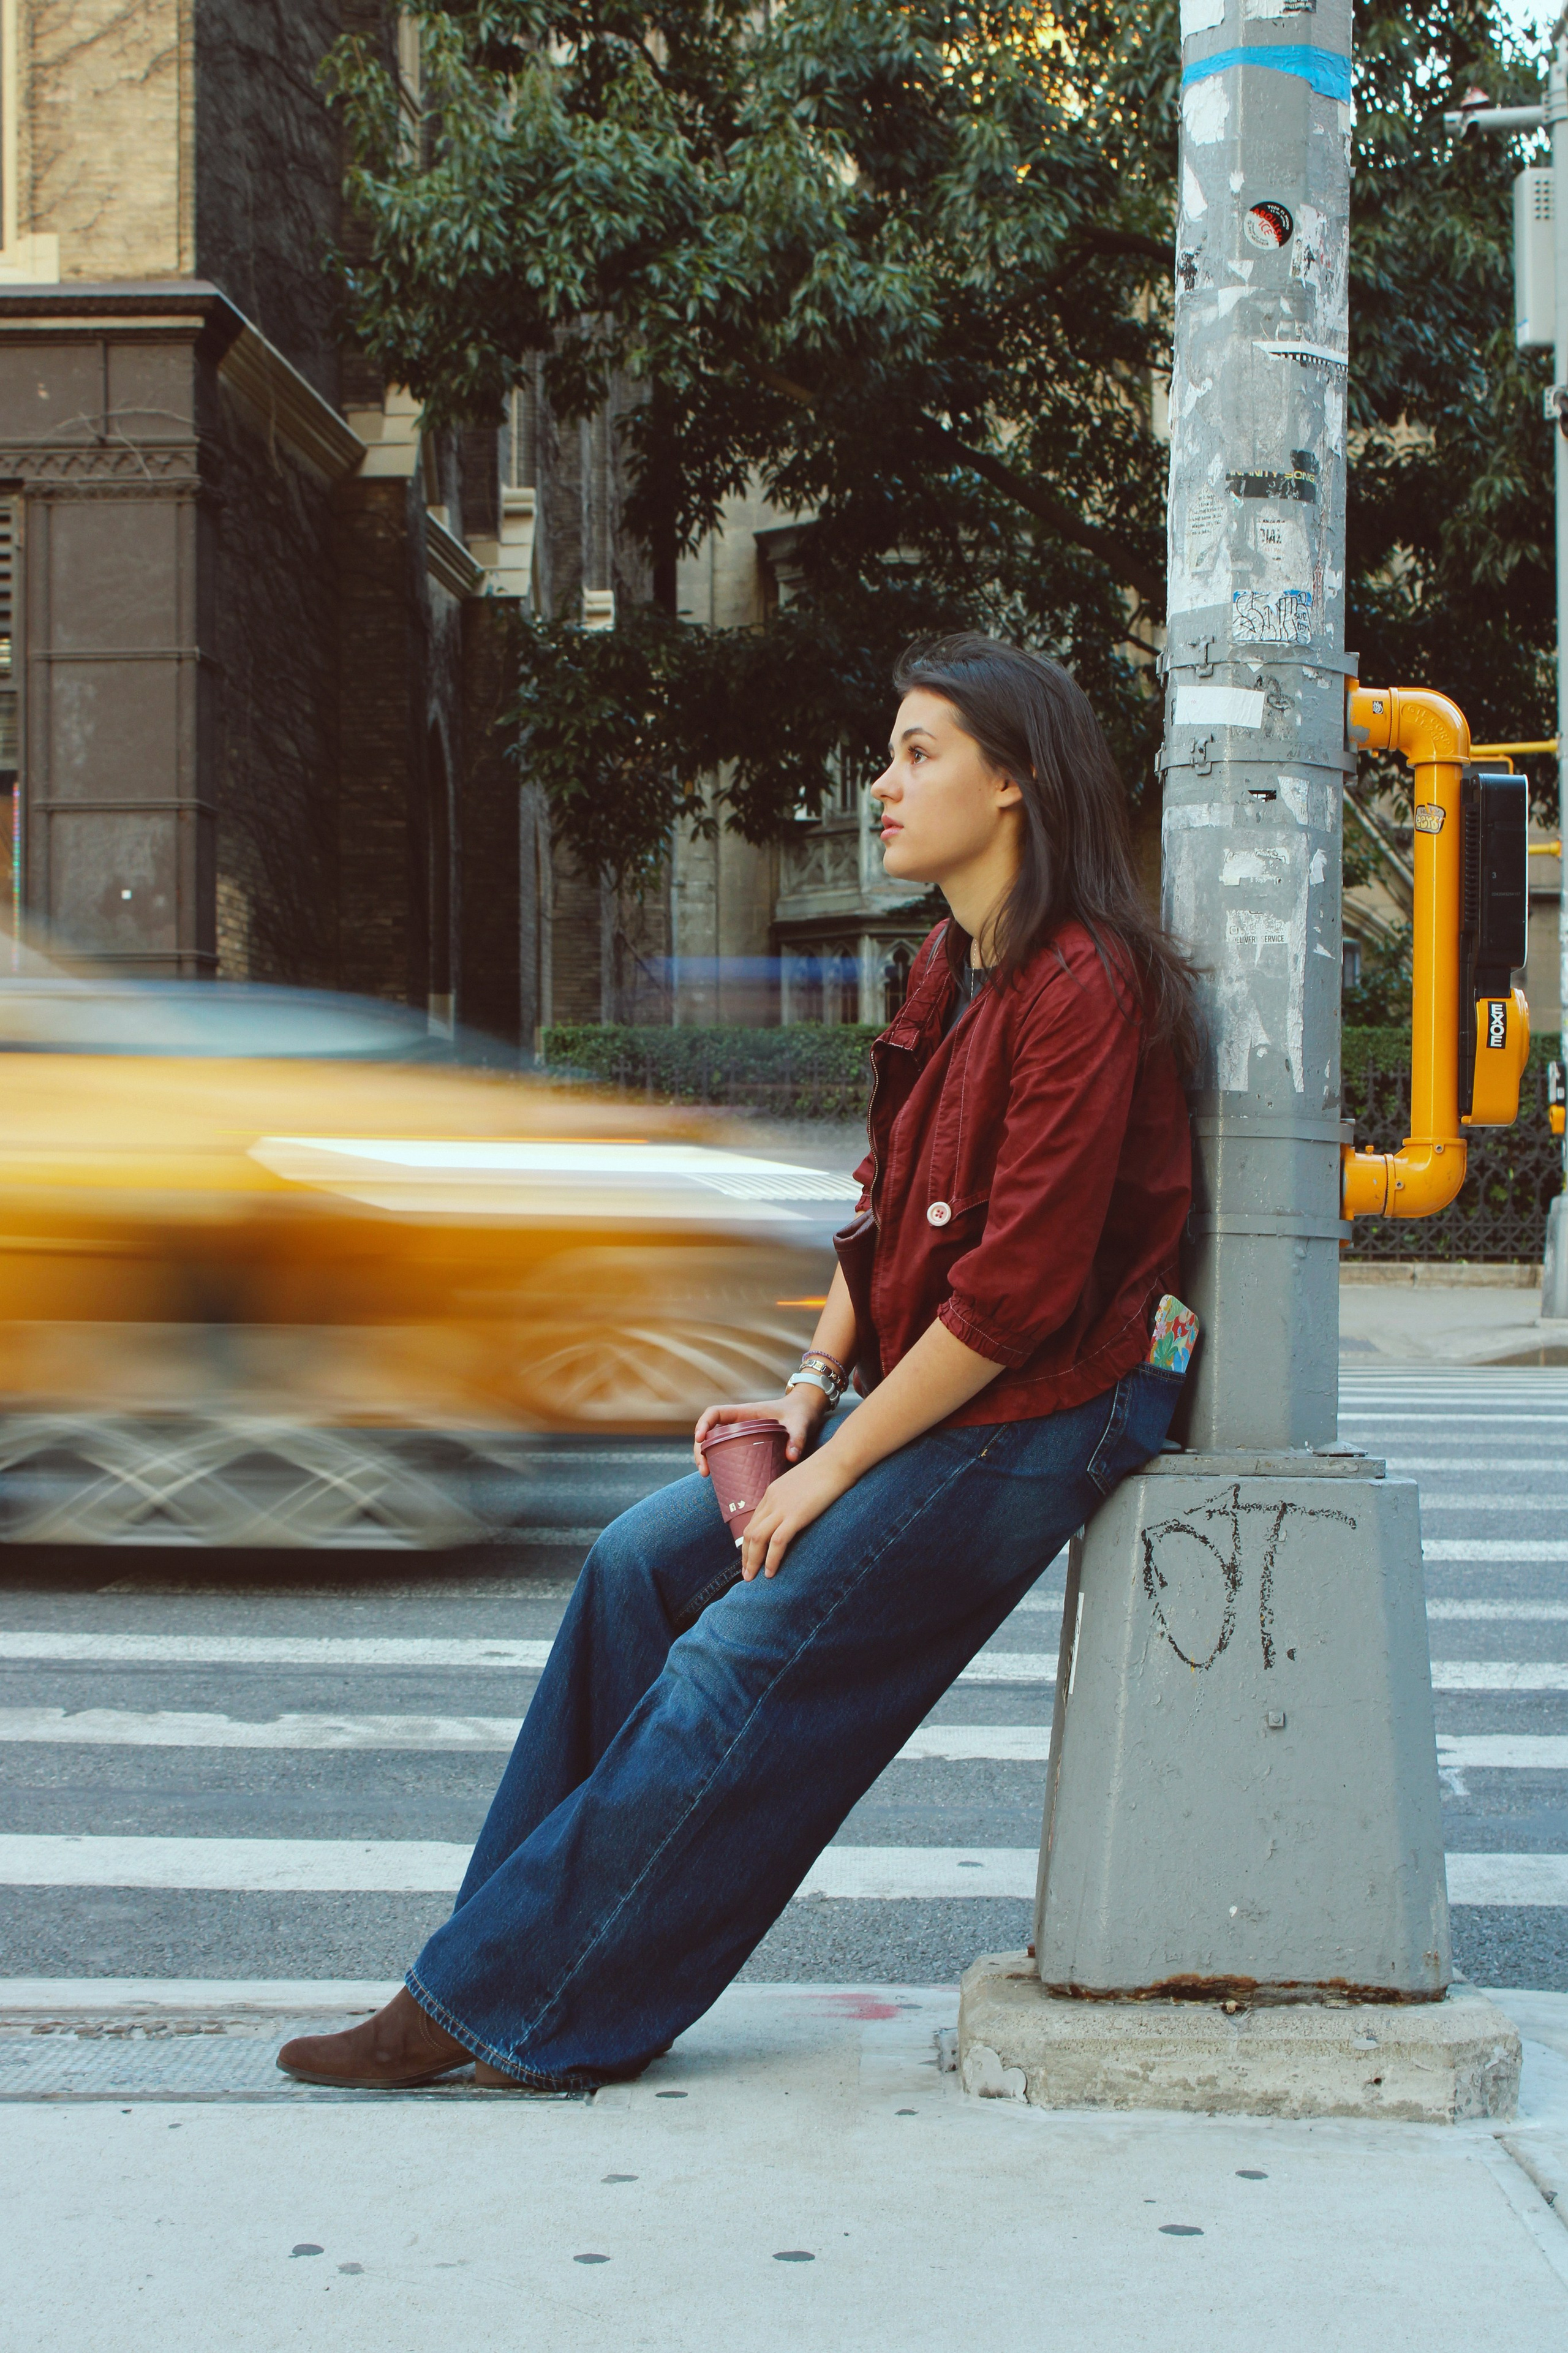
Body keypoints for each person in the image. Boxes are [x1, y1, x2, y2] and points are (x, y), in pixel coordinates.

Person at [277, 633, 1198, 2091]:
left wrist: (827, 1472)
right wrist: (803, 1389)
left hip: (1050, 1404)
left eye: (917, 753)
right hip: (932, 1375)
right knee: (635, 1565)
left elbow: (1014, 1302)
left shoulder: (1083, 985)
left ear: (1013, 783)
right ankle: (500, 1954)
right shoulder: (951, 962)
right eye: (888, 753)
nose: (881, 785)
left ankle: (492, 2006)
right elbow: (886, 1208)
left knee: (735, 1662)